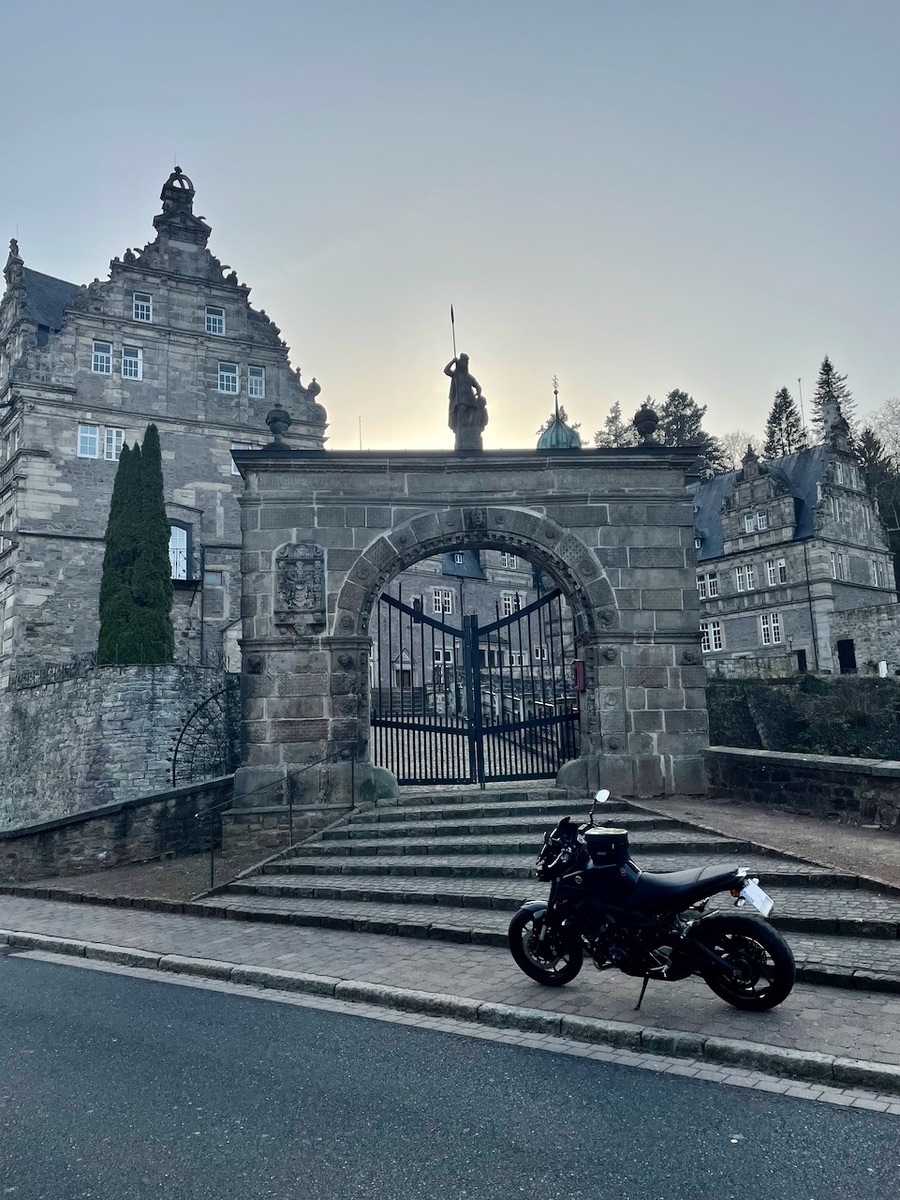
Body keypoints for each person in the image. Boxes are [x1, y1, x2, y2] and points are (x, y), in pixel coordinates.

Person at [445, 354, 487, 431]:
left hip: (469, 397)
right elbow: (446, 370)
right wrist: (453, 361)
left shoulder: (469, 377)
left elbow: (478, 387)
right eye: (463, 362)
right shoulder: (456, 374)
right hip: (460, 396)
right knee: (462, 408)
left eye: (466, 362)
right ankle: (461, 426)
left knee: (471, 411)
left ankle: (468, 424)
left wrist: (478, 394)